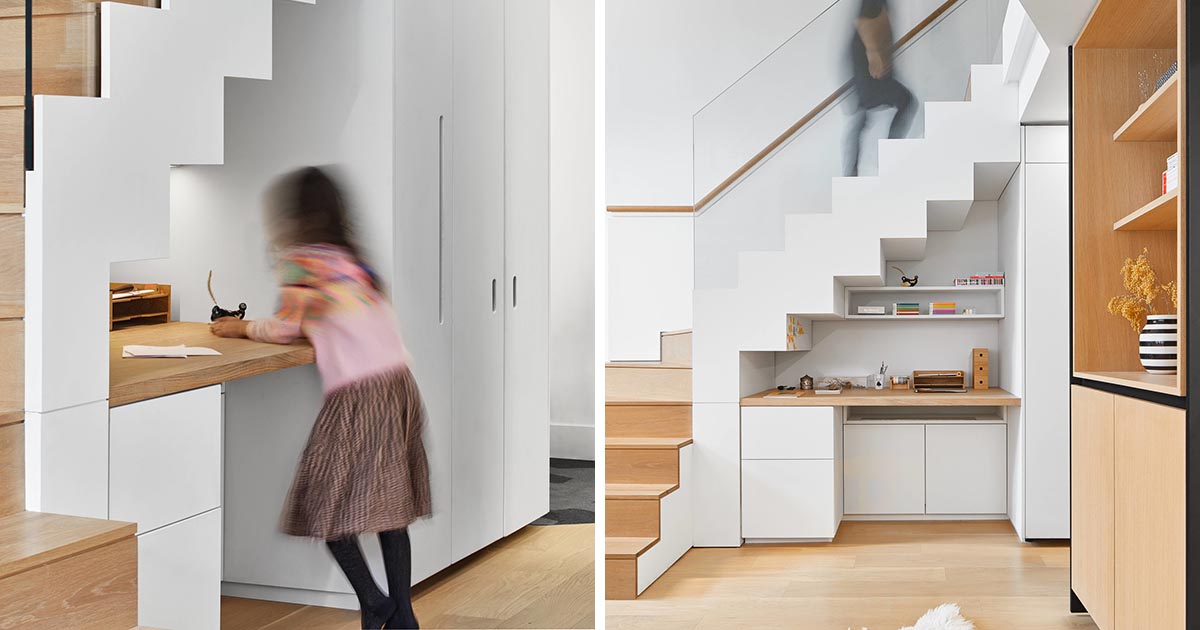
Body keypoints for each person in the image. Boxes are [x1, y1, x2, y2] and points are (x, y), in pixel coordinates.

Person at [211, 167, 430, 629]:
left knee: (324, 508)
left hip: (360, 394)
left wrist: (240, 326)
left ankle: (374, 602)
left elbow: (285, 327)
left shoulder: (302, 262)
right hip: (400, 385)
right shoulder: (355, 261)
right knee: (391, 510)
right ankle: (403, 616)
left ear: (294, 215)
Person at [845, 0, 915, 177]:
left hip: (864, 64)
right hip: (866, 64)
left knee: (864, 111)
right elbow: (862, 22)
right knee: (905, 100)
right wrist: (873, 53)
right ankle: (889, 155)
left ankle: (852, 170)